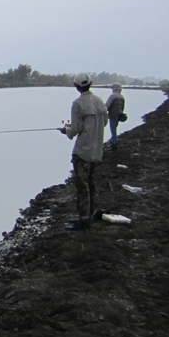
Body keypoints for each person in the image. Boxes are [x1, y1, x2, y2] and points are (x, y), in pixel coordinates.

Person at [59, 72, 108, 230]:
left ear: (75, 86)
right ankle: (90, 214)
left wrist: (66, 130)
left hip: (82, 152)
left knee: (82, 185)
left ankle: (84, 219)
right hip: (97, 150)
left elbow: (76, 129)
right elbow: (104, 122)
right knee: (91, 183)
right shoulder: (100, 101)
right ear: (91, 83)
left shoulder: (77, 104)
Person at [104, 83, 126, 150]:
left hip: (112, 115)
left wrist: (103, 112)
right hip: (119, 115)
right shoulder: (122, 97)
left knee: (113, 130)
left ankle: (114, 144)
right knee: (115, 129)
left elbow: (107, 106)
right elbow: (123, 107)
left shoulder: (112, 96)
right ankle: (114, 141)